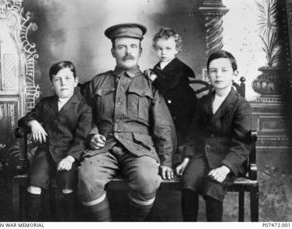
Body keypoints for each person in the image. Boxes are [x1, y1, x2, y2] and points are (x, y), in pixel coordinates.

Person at [77, 23, 177, 222]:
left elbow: (163, 125)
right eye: (122, 47)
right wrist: (92, 134)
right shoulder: (98, 82)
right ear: (113, 51)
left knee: (148, 180)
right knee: (87, 180)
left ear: (140, 50)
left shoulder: (150, 84)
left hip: (139, 148)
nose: (128, 51)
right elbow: (83, 116)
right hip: (103, 147)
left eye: (132, 46)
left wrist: (166, 161)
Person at [175, 50, 252, 221]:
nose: (218, 75)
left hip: (228, 158)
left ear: (235, 73)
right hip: (202, 155)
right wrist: (186, 158)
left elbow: (242, 143)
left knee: (212, 189)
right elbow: (194, 134)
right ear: (208, 74)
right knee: (188, 184)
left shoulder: (241, 106)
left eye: (224, 70)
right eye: (213, 71)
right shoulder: (203, 102)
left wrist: (225, 168)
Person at [18, 61, 92, 221]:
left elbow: (81, 139)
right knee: (34, 184)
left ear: (75, 81)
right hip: (46, 152)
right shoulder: (46, 103)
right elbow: (24, 119)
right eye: (57, 79)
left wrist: (71, 158)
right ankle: (32, 223)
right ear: (52, 84)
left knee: (67, 186)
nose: (63, 83)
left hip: (69, 154)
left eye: (67, 78)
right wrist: (33, 122)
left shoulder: (83, 109)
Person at [145, 27, 196, 145]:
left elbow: (168, 86)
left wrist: (153, 78)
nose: (163, 52)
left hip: (181, 106)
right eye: (160, 49)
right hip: (165, 104)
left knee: (177, 133)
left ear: (176, 49)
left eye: (168, 48)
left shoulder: (179, 68)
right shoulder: (158, 67)